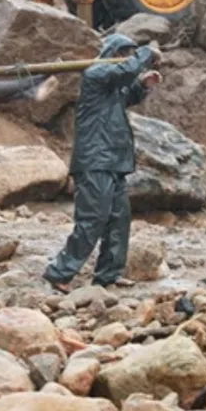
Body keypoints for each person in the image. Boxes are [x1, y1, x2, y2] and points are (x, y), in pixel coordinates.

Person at [43, 34, 161, 293]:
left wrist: (143, 85)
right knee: (92, 219)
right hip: (95, 160)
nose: (130, 58)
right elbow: (124, 71)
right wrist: (144, 54)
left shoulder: (114, 86)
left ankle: (109, 273)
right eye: (125, 53)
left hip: (115, 162)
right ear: (113, 53)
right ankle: (59, 272)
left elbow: (128, 91)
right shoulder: (95, 74)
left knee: (119, 220)